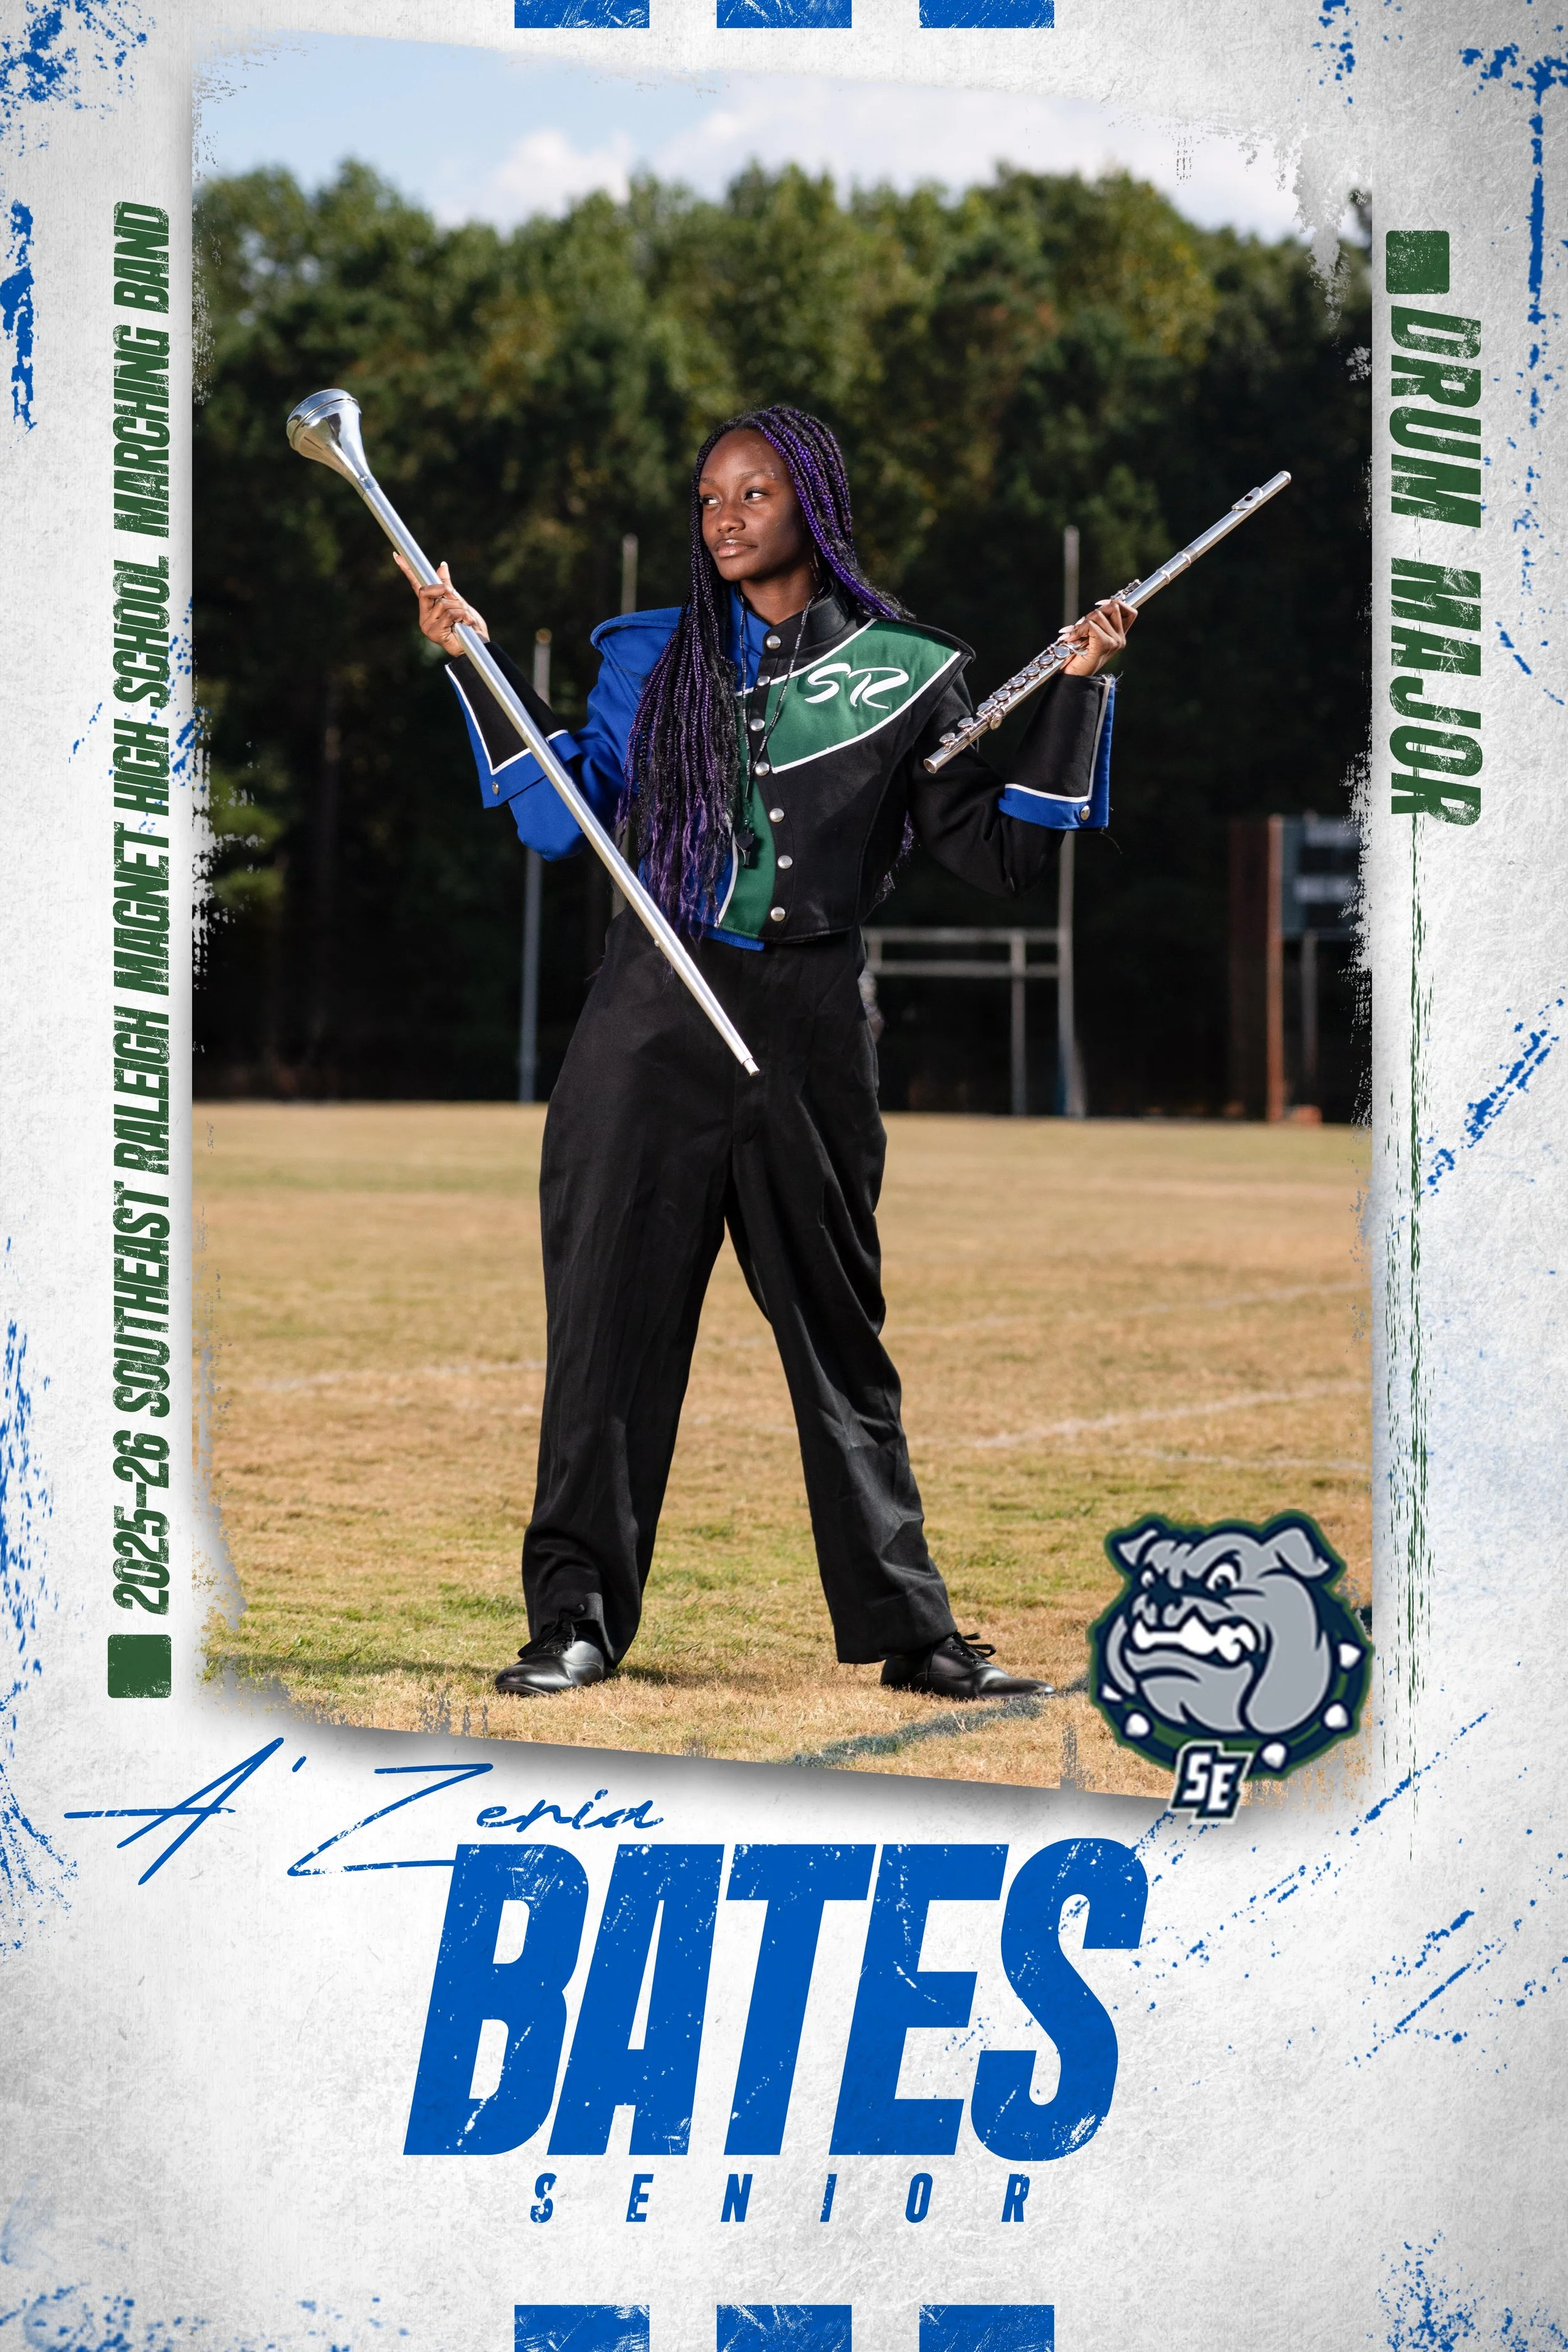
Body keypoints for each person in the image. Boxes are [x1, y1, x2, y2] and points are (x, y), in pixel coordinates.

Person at [398, 404, 1134, 1702]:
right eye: (709, 498)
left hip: (810, 1033)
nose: (725, 518)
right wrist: (473, 662)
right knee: (607, 1333)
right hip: (650, 1022)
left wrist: (1079, 690)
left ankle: (913, 1631)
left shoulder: (908, 666)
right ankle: (573, 1620)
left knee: (840, 1342)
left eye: (753, 494)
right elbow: (562, 823)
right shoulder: (647, 655)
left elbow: (995, 852)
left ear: (814, 504)